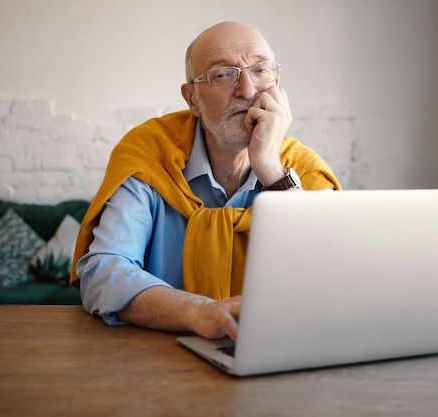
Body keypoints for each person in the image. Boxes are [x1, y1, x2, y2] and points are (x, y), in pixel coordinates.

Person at [71, 21, 340, 341]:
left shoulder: (302, 171)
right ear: (192, 99)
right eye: (223, 74)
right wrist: (198, 312)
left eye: (260, 71)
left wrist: (271, 169)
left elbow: (332, 278)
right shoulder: (148, 154)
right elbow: (104, 272)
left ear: (277, 86)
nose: (248, 90)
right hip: (156, 355)